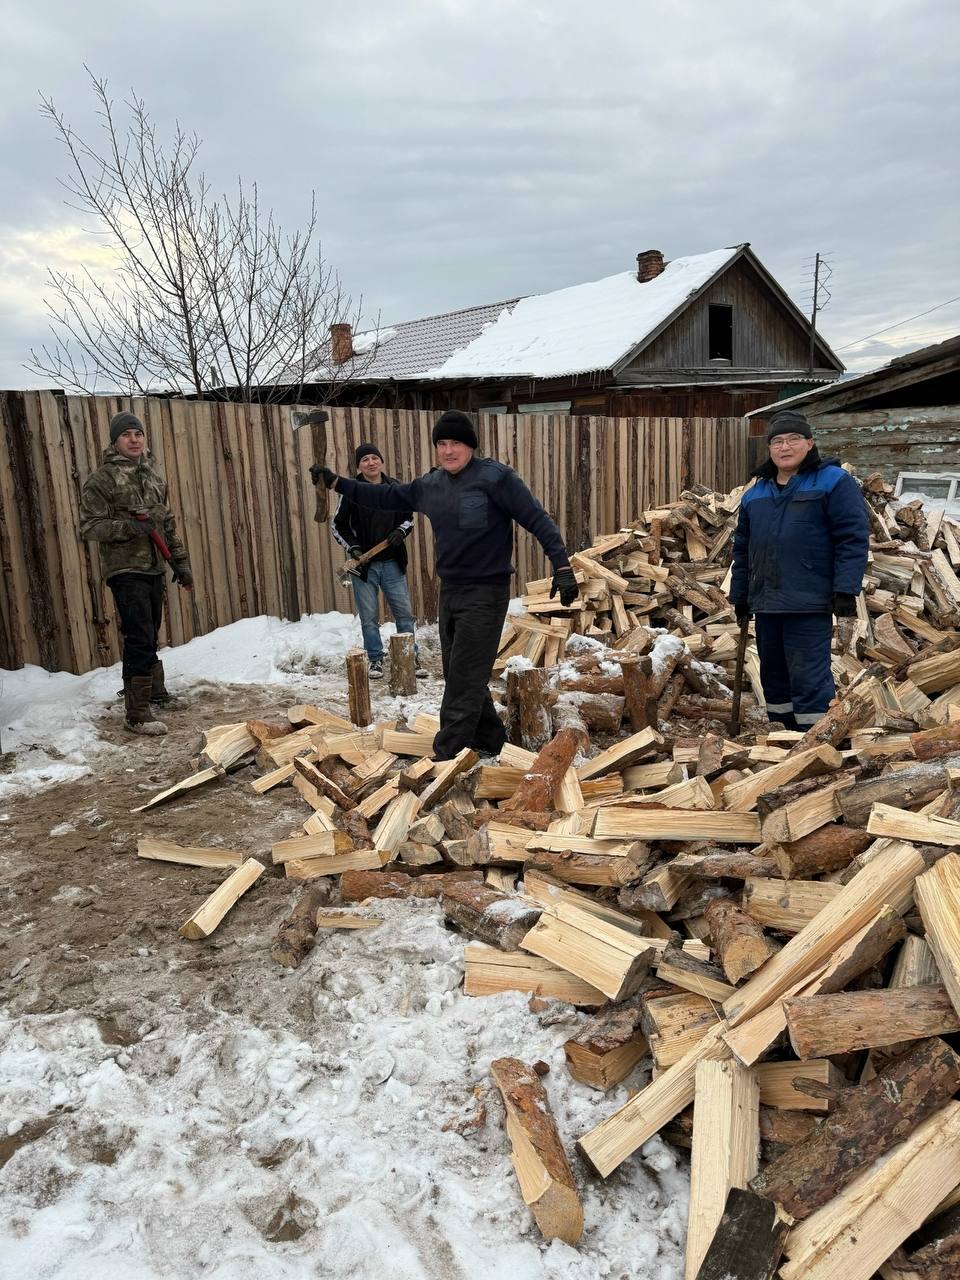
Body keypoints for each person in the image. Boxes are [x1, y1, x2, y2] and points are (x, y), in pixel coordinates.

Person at [312, 410, 578, 759]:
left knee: (463, 676)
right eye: (442, 444)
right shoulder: (431, 485)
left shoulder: (496, 479)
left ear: (470, 446)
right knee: (459, 670)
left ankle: (446, 754)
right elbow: (385, 497)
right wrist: (336, 483)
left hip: (487, 591)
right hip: (451, 590)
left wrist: (562, 566)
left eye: (455, 443)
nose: (448, 450)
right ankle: (488, 740)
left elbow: (538, 520)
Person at [729, 409, 869, 730]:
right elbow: (743, 549)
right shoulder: (756, 493)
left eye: (793, 439)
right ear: (769, 449)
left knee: (808, 675)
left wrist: (845, 589)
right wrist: (741, 597)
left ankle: (813, 739)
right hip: (766, 603)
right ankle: (781, 735)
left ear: (809, 443)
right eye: (777, 441)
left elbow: (852, 538)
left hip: (808, 600)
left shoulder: (834, 482)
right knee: (773, 674)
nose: (784, 447)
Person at [80, 410, 193, 736]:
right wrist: (131, 527)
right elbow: (91, 527)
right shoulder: (102, 480)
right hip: (124, 567)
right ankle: (136, 713)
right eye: (126, 434)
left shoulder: (155, 479)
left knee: (150, 630)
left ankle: (152, 692)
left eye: (138, 434)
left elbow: (167, 526)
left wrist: (180, 564)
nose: (134, 439)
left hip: (154, 566)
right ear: (115, 441)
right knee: (140, 634)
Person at [332, 442, 421, 679]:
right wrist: (353, 547)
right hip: (364, 565)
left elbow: (408, 519)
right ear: (359, 466)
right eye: (365, 460)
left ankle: (410, 656)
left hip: (392, 562)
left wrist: (401, 532)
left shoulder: (395, 488)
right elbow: (337, 524)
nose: (371, 462)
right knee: (369, 617)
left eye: (374, 458)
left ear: (381, 461)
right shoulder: (351, 491)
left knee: (403, 614)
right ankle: (375, 659)